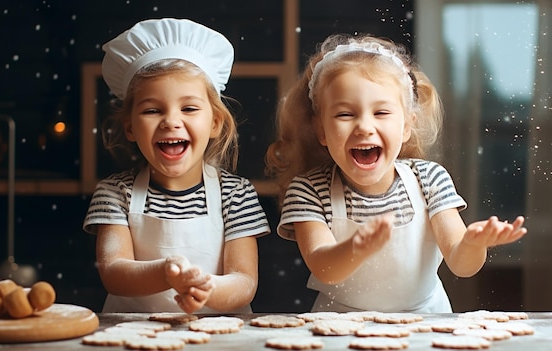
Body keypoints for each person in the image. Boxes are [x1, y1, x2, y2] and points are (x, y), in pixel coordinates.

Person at [265, 33, 528, 313]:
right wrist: (356, 248)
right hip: (340, 324)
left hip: (427, 322)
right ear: (321, 130)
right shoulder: (307, 190)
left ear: (406, 127)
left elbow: (461, 265)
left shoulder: (429, 179)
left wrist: (473, 244)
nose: (364, 127)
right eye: (345, 114)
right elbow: (324, 267)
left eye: (381, 113)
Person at [83, 18, 270, 314]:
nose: (171, 121)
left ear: (215, 123)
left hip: (218, 340)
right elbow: (114, 273)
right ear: (130, 126)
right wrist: (167, 273)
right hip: (134, 336)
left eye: (189, 108)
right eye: (153, 110)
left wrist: (205, 288)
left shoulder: (236, 194)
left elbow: (244, 282)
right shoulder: (114, 193)